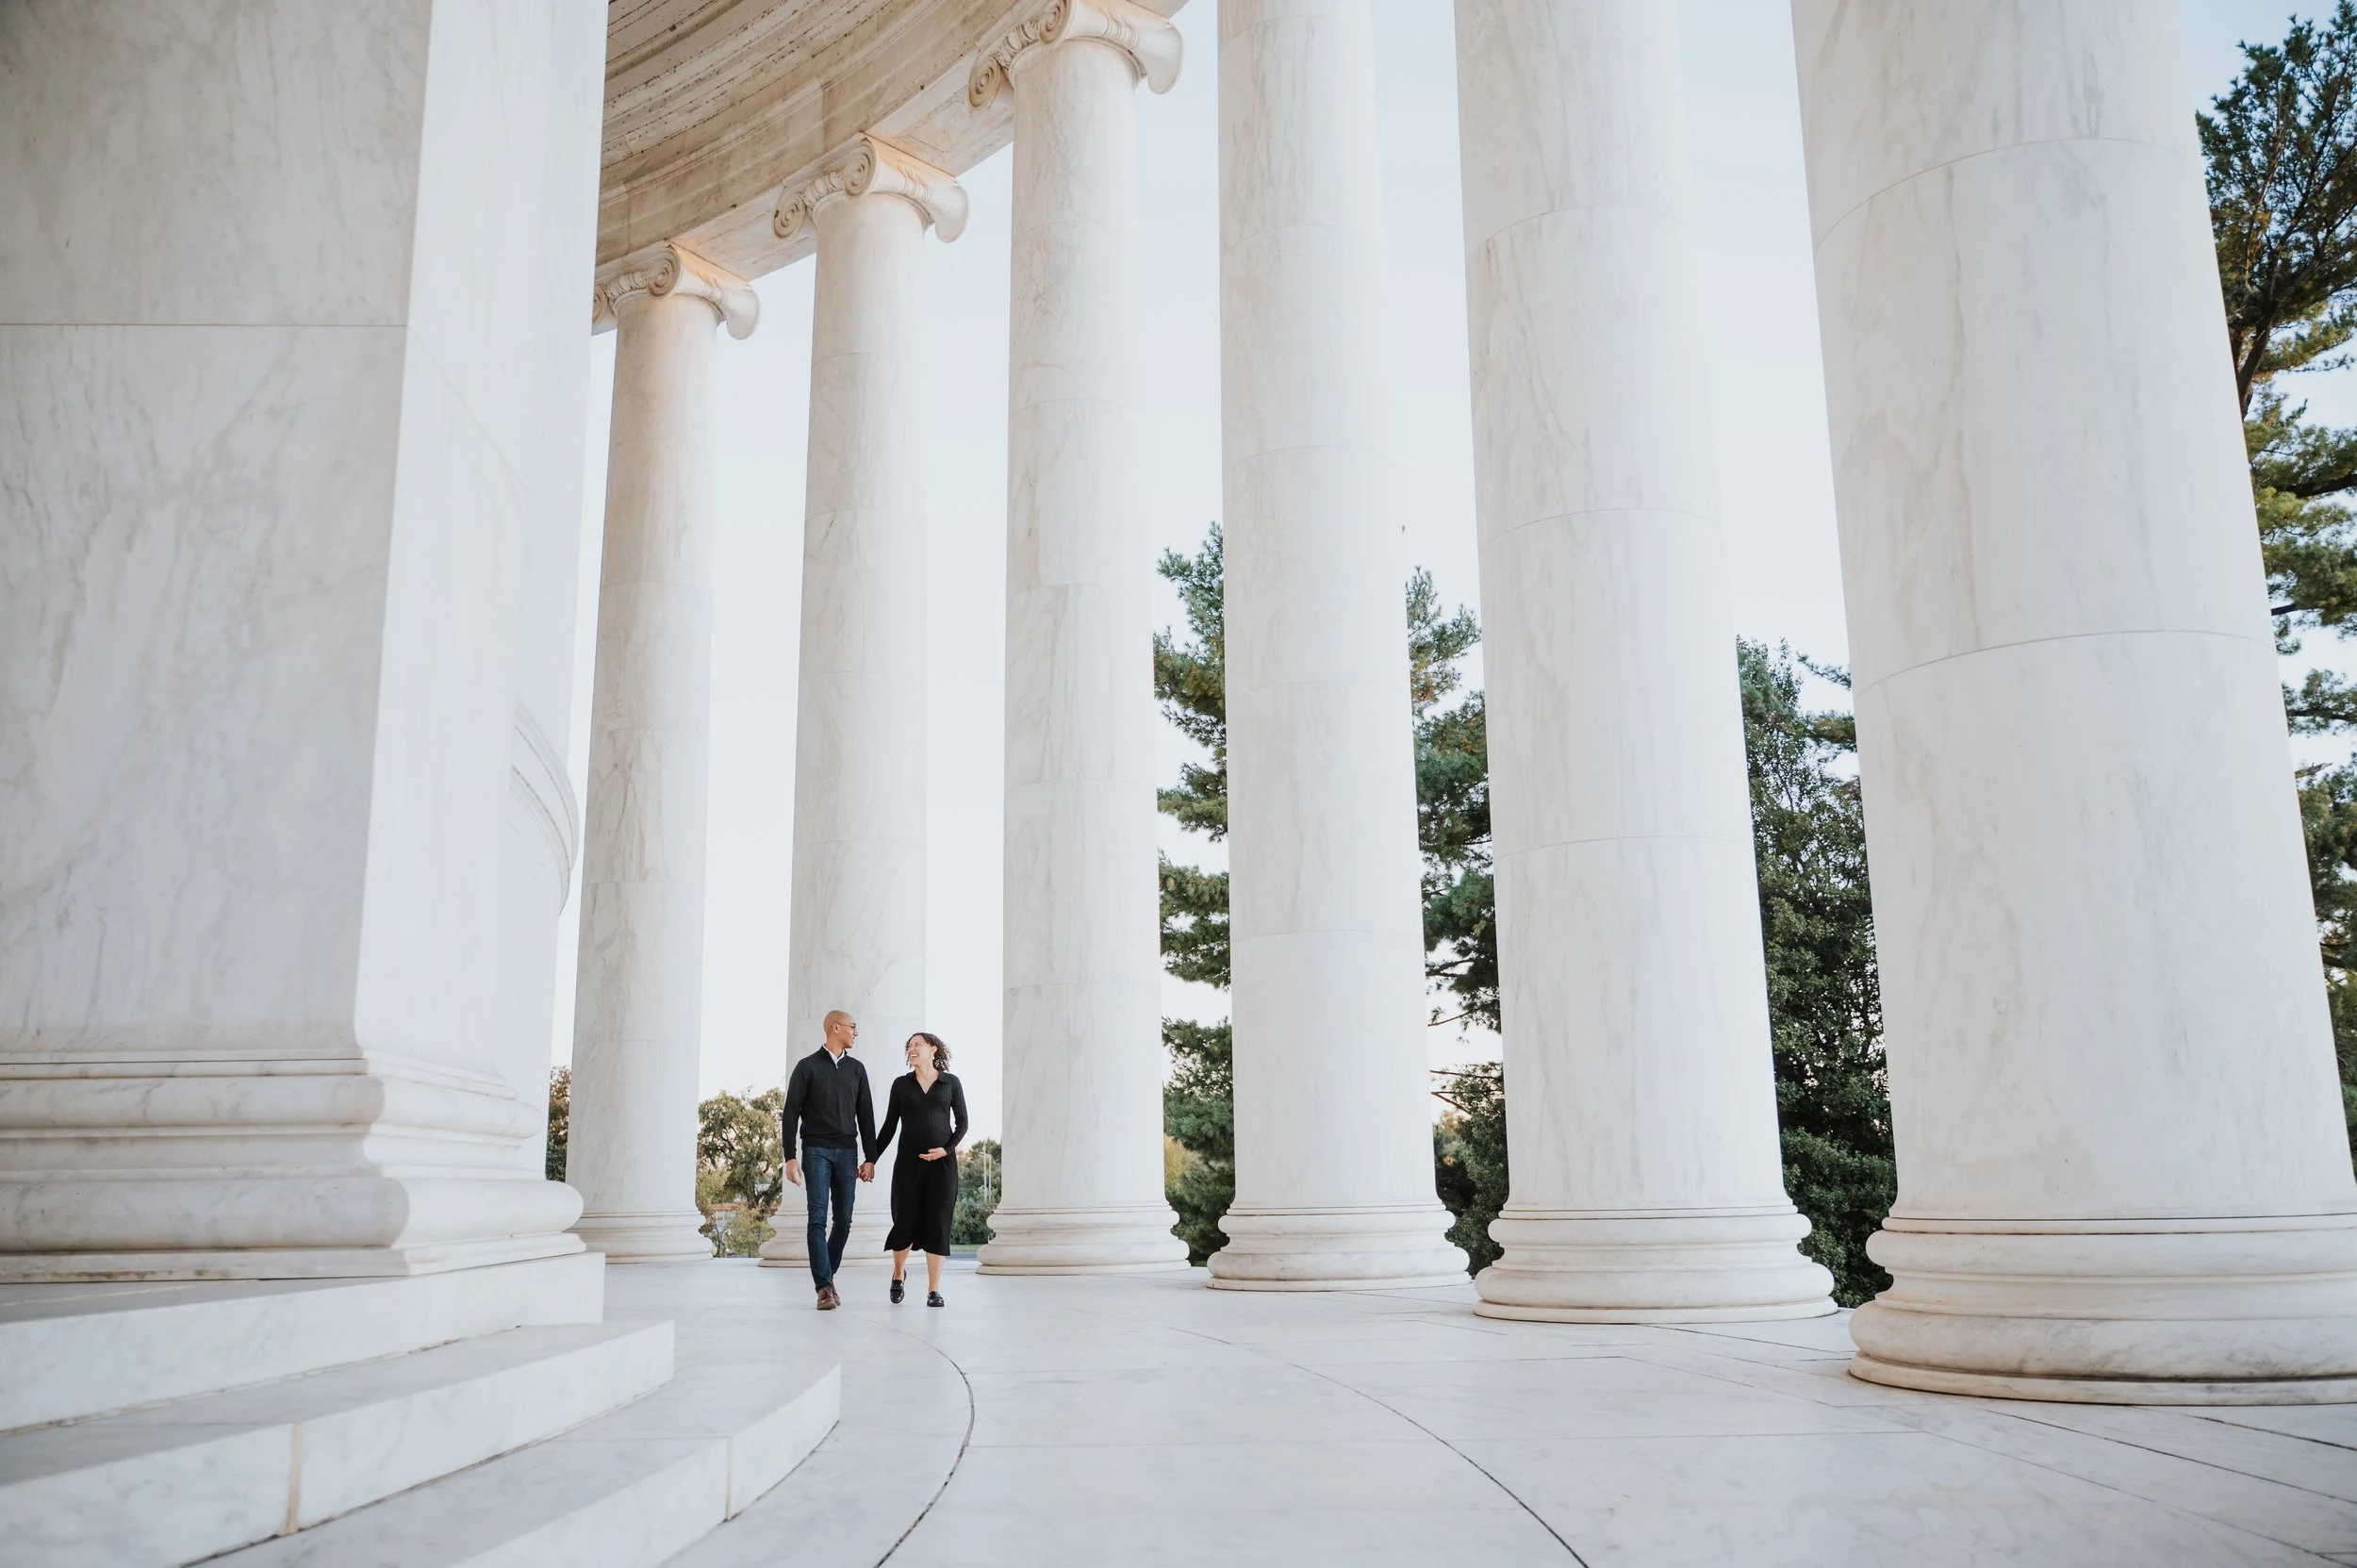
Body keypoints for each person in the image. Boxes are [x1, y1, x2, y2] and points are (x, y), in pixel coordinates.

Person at [780, 1010, 879, 1310]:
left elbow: (866, 1115)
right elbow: (790, 1113)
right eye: (852, 1027)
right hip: (816, 1151)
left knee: (845, 1221)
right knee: (817, 1219)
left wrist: (871, 1157)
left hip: (848, 1152)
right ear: (835, 1028)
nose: (856, 1033)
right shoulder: (806, 1067)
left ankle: (827, 1278)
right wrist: (790, 1156)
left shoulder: (857, 1070)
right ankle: (824, 1287)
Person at [876, 1031, 968, 1308]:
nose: (912, 1049)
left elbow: (962, 1123)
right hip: (908, 1166)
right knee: (904, 1222)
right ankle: (898, 1274)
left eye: (918, 1044)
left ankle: (933, 1290)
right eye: (909, 1046)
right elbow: (889, 1127)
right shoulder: (901, 1085)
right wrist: (871, 1160)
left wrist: (946, 1150)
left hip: (942, 1168)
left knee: (938, 1226)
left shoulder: (950, 1083)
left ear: (934, 1050)